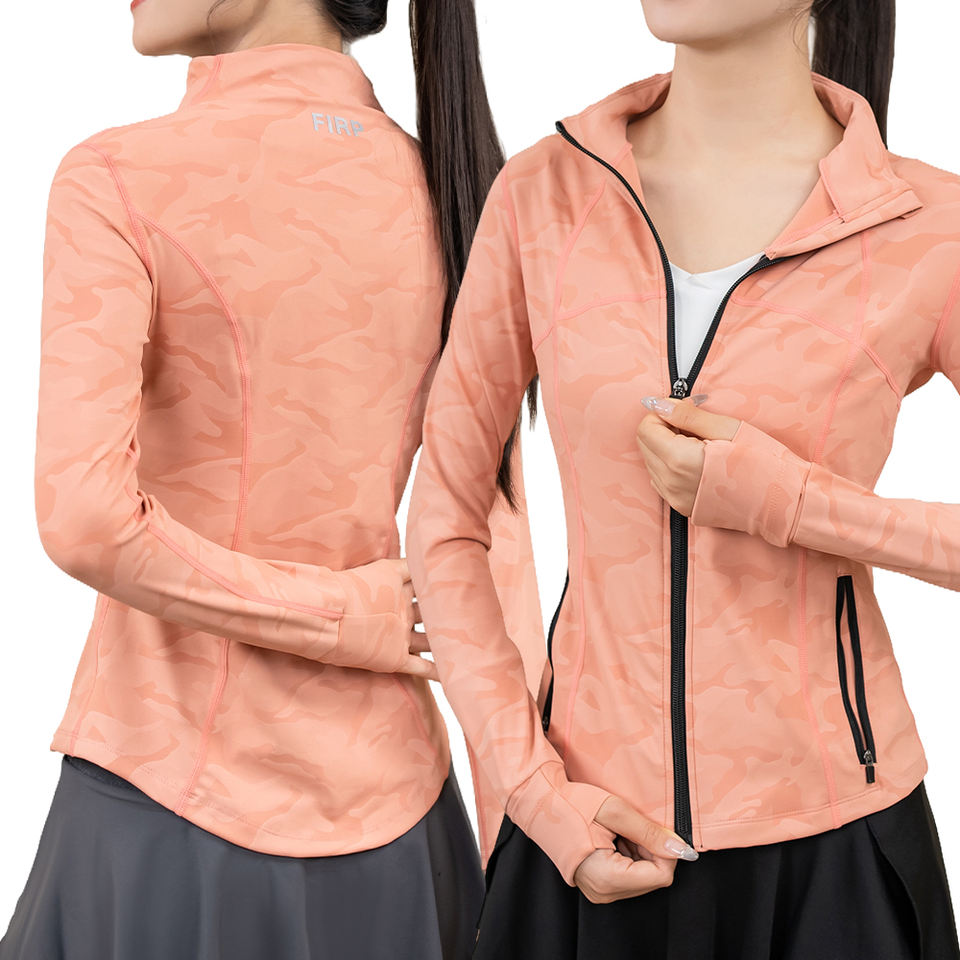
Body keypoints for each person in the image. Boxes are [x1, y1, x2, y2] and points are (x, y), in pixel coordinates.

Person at [405, 0, 960, 956]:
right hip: (587, 830)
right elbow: (449, 518)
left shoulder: (930, 224)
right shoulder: (544, 193)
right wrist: (530, 784)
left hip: (835, 850)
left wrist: (788, 502)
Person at [0, 1, 545, 958]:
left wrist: (347, 618)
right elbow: (494, 555)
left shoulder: (122, 176)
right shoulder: (458, 186)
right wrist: (528, 855)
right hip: (403, 827)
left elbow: (85, 517)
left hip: (167, 808)